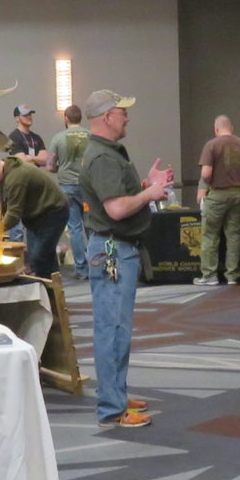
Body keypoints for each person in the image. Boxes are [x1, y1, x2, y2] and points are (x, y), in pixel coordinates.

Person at [80, 89, 173, 429]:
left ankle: (115, 394)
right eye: (122, 112)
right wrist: (149, 193)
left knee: (116, 328)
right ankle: (112, 408)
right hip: (112, 250)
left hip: (113, 250)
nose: (127, 117)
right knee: (112, 330)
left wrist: (147, 184)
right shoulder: (103, 157)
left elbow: (118, 196)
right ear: (107, 117)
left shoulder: (107, 153)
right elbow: (117, 208)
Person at [193, 115, 240, 286]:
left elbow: (206, 174)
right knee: (234, 235)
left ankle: (209, 275)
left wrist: (204, 187)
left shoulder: (211, 145)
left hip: (218, 195)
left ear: (216, 129)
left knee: (210, 235)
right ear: (231, 128)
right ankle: (233, 275)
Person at [0, 153, 68, 279]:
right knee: (44, 257)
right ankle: (53, 291)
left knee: (38, 257)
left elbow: (13, 214)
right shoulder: (3, 176)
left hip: (52, 213)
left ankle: (47, 289)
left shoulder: (16, 177)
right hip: (35, 217)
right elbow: (0, 206)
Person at [47, 105, 91, 280]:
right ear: (81, 118)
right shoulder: (91, 136)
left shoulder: (58, 138)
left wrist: (60, 168)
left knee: (74, 229)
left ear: (66, 118)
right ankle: (97, 265)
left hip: (67, 187)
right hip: (88, 187)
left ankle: (81, 269)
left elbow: (50, 166)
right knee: (92, 228)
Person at [7, 104, 48, 242]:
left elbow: (45, 159)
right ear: (17, 118)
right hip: (20, 185)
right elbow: (21, 160)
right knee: (17, 229)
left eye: (30, 114)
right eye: (25, 115)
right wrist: (35, 159)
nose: (29, 117)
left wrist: (31, 158)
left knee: (35, 226)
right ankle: (15, 261)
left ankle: (32, 261)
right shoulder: (13, 137)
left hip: (35, 185)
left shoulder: (36, 137)